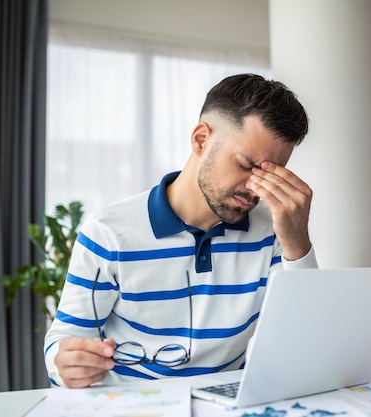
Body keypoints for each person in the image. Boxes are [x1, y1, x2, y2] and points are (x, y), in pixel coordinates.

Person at [44, 73, 318, 388]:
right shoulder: (108, 232)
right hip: (134, 405)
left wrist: (298, 245)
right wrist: (64, 363)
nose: (254, 188)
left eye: (271, 175)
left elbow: (306, 342)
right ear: (201, 139)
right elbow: (64, 340)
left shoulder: (273, 231)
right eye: (245, 165)